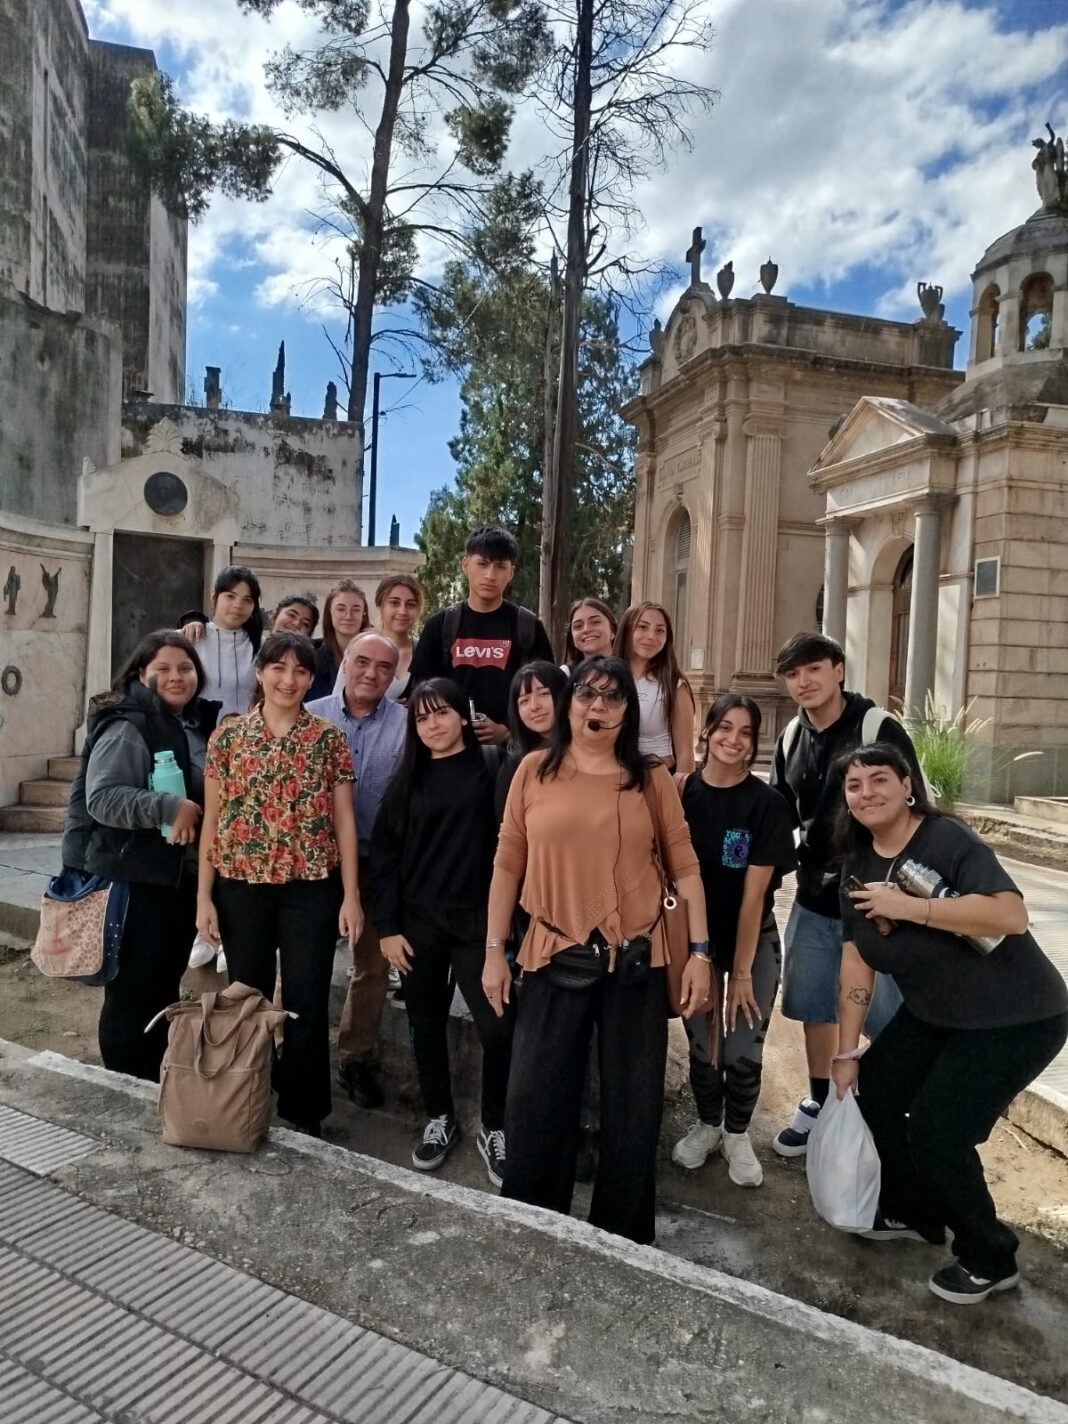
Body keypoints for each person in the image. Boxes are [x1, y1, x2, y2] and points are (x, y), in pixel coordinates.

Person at [484, 655, 712, 1244]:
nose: (598, 707)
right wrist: (492, 949)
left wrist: (701, 954)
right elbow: (508, 862)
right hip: (551, 956)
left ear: (628, 714)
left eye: (613, 699)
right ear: (568, 703)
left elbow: (685, 867)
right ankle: (532, 1222)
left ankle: (622, 1235)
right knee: (534, 1101)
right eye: (586, 694)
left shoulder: (649, 777)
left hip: (634, 964)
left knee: (633, 1111)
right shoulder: (533, 770)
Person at [832, 742, 1067, 1305]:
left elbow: (1010, 915)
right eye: (855, 785)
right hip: (938, 1012)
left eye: (880, 780)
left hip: (1015, 1016)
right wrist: (845, 1052)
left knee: (939, 1131)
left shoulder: (946, 840)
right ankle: (919, 1213)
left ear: (908, 785)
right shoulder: (857, 863)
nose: (867, 793)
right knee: (879, 1087)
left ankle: (990, 1254)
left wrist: (913, 907)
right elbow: (855, 959)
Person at [196, 631, 362, 1136]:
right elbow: (213, 820)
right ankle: (248, 1094)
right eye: (279, 668)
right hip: (241, 885)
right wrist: (203, 896)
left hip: (309, 888)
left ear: (312, 679)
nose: (289, 680)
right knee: (248, 996)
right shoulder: (228, 737)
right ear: (261, 672)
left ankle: (303, 1109)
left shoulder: (328, 737)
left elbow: (344, 821)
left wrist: (351, 895)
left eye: (301, 671)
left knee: (306, 1000)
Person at [769, 631, 925, 1159]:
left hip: (874, 900)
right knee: (815, 1003)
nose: (803, 682)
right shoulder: (792, 735)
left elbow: (915, 807)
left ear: (838, 669)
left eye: (813, 668)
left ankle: (883, 1108)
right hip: (814, 897)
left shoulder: (875, 726)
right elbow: (778, 811)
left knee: (884, 1012)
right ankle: (821, 1105)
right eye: (793, 674)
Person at [370, 677, 512, 1184]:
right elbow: (383, 856)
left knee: (498, 1026)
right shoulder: (406, 777)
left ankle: (494, 1125)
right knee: (424, 1024)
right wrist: (387, 928)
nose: (433, 724)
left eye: (442, 713)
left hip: (476, 922)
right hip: (418, 924)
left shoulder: (492, 769)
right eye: (423, 716)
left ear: (462, 714)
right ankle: (440, 1118)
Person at [60, 631, 219, 1081]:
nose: (176, 676)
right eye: (164, 668)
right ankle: (125, 1083)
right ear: (139, 674)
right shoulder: (128, 724)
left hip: (171, 878)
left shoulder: (185, 722)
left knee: (160, 986)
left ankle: (150, 1076)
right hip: (133, 879)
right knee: (132, 994)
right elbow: (104, 798)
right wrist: (168, 807)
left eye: (185, 668)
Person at [671, 693, 796, 1187]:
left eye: (745, 732)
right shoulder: (681, 793)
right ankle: (707, 1125)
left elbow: (753, 896)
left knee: (744, 1045)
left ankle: (738, 1134)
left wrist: (742, 971)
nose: (733, 740)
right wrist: (696, 956)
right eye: (724, 728)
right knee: (704, 1045)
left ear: (753, 742)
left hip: (751, 939)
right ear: (707, 733)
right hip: (694, 945)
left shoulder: (767, 805)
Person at [307, 630, 407, 1110]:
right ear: (345, 662)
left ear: (395, 674)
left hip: (378, 864)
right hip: (316, 862)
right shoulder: (311, 716)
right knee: (305, 957)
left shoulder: (408, 726)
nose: (371, 673)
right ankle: (286, 1048)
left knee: (370, 965)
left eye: (384, 667)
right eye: (362, 661)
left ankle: (355, 1057)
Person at [407, 526, 554, 744]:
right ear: (466, 565)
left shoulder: (528, 626)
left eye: (500, 566)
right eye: (483, 564)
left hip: (513, 755)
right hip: (451, 752)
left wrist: (508, 731)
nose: (490, 575)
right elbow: (420, 694)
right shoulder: (440, 625)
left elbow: (547, 694)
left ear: (511, 572)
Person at [614, 601, 695, 773]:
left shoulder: (675, 685)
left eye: (660, 630)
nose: (651, 636)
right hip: (613, 779)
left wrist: (681, 793)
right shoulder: (608, 679)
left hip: (659, 778)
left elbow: (685, 752)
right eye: (643, 627)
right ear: (627, 630)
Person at [177, 564, 264, 716]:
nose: (238, 605)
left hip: (243, 734)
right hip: (194, 730)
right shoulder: (188, 638)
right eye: (230, 596)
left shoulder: (261, 646)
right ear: (214, 597)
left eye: (247, 600)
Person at [495, 659, 569, 821]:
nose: (534, 706)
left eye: (544, 694)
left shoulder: (591, 754)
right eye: (524, 700)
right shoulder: (516, 766)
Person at [309, 580, 371, 700]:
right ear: (330, 612)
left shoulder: (377, 654)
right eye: (341, 609)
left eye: (356, 610)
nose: (348, 616)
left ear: (363, 614)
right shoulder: (313, 655)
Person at [374, 574, 424, 698]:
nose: (403, 611)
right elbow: (335, 706)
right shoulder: (360, 649)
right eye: (395, 603)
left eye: (410, 605)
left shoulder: (425, 653)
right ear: (380, 606)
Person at [564, 597, 617, 667]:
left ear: (612, 630)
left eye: (595, 622)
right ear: (572, 639)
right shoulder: (564, 675)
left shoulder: (632, 671)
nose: (586, 629)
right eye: (578, 626)